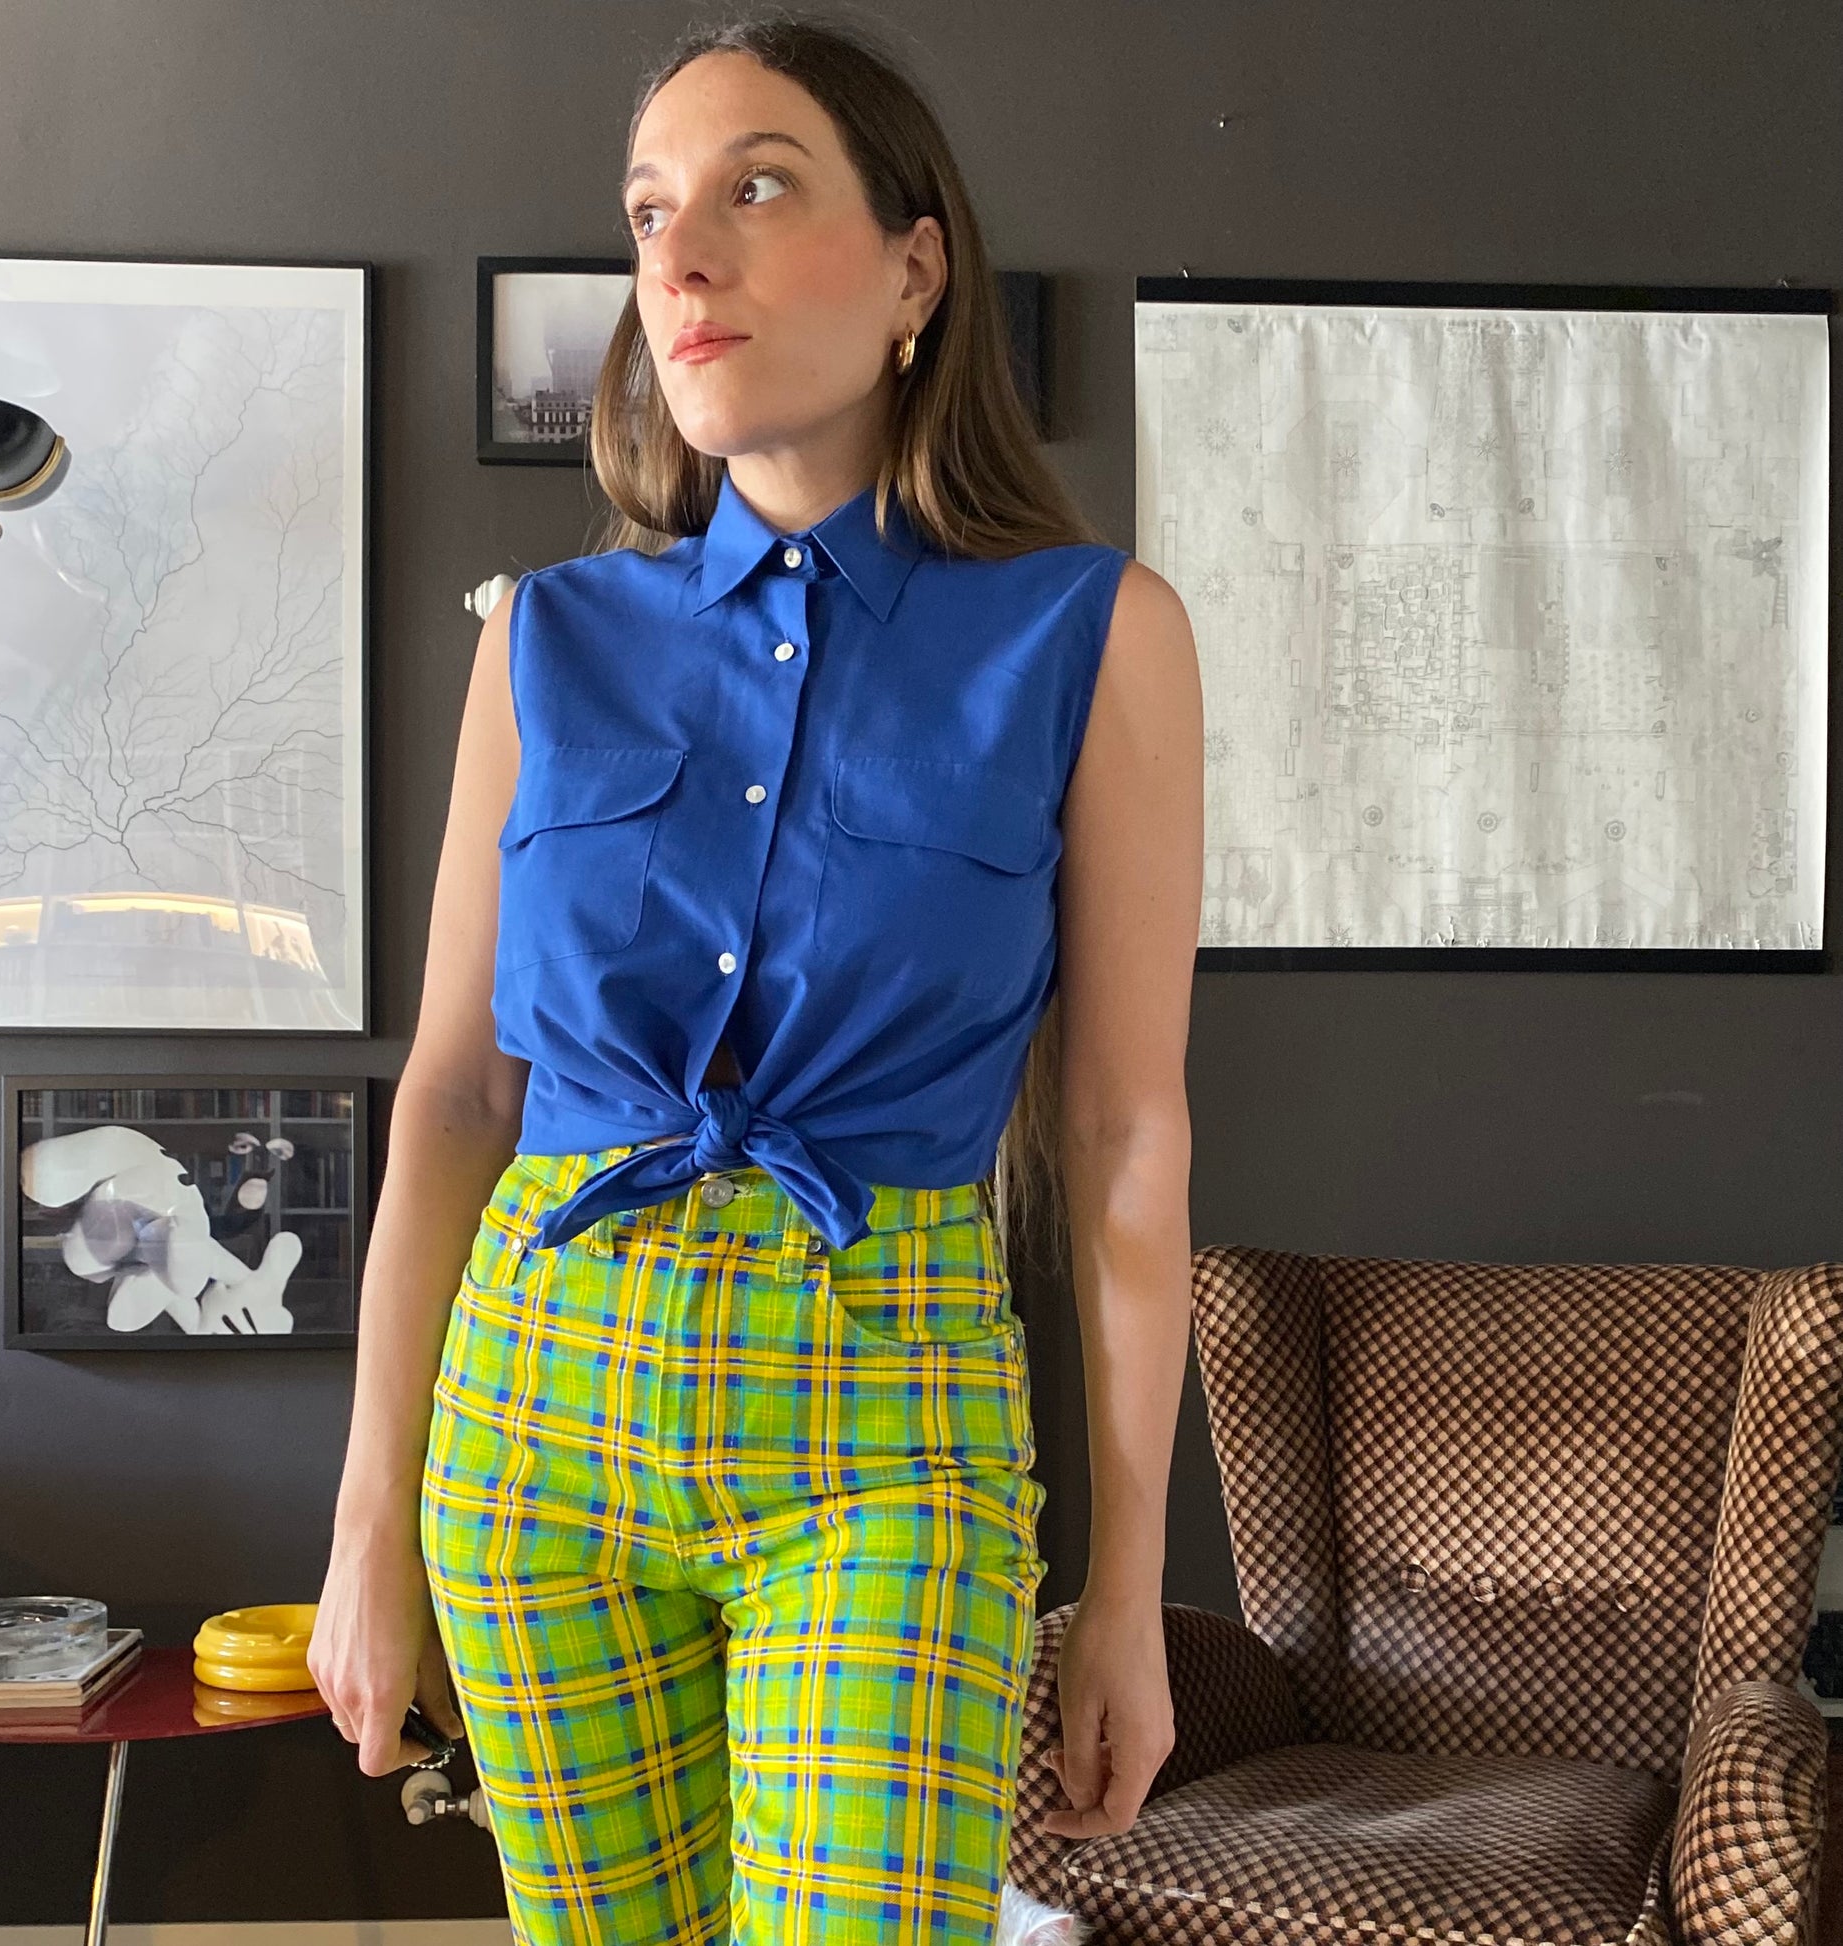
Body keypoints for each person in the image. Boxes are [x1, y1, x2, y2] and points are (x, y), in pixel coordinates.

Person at [308, 13, 1203, 1943]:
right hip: (537, 1411)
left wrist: (1125, 1585)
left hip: (889, 1410)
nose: (681, 257)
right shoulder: (541, 641)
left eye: (757, 187)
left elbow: (1126, 1127)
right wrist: (370, 1514)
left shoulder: (1091, 633)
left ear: (915, 268)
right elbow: (454, 1095)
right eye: (649, 214)